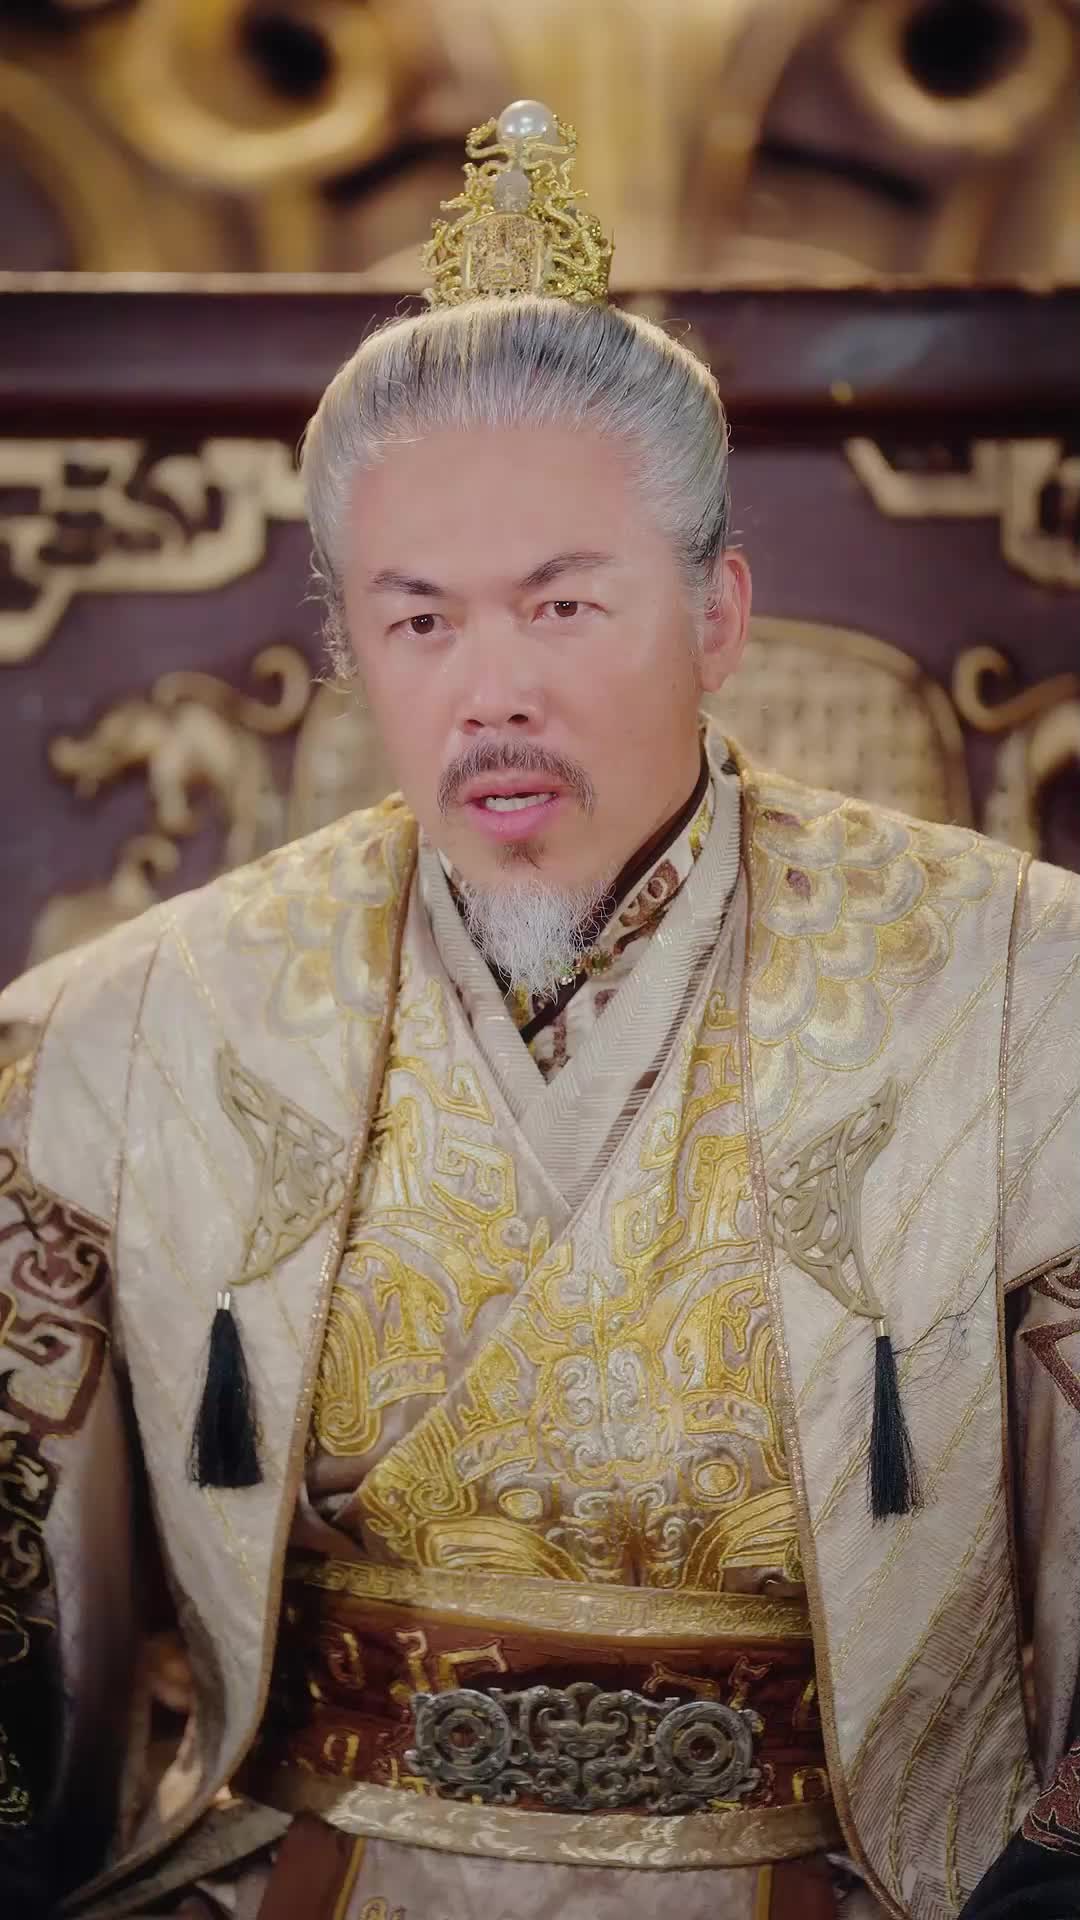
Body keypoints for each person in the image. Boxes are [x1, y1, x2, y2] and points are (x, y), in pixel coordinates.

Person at [1, 97, 1078, 1920]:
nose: (491, 690)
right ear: (352, 647)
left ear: (717, 615)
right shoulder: (137, 1029)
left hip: (828, 1874)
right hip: (328, 1868)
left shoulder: (1017, 990)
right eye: (420, 622)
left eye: (564, 608)